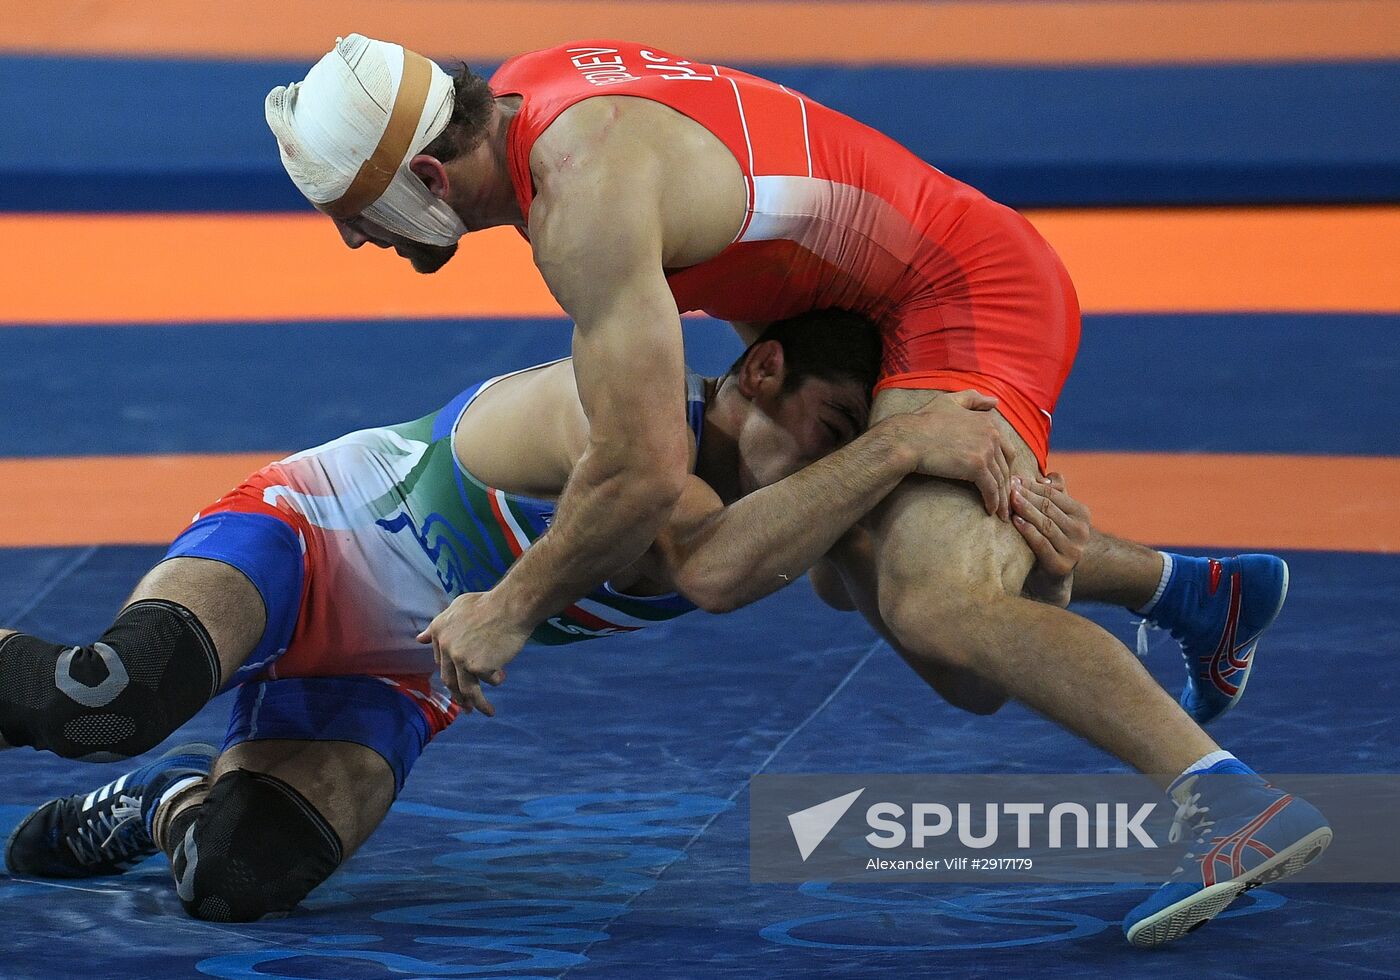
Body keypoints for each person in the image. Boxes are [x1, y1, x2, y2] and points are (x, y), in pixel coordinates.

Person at [256, 35, 1327, 944]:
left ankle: (1228, 803)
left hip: (954, 289)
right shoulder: (534, 92)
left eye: (356, 213)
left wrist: (507, 609)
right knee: (913, 622)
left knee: (938, 603)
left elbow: (638, 478)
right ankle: (1187, 590)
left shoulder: (582, 201)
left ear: (428, 179)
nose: (359, 239)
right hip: (849, 300)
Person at [0, 311, 1279, 925]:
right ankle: (1179, 582)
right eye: (831, 430)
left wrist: (1042, 575)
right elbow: (694, 555)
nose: (829, 463)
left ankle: (164, 801)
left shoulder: (801, 511)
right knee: (103, 693)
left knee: (234, 877)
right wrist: (900, 455)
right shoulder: (639, 404)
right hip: (312, 533)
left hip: (402, 677)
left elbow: (972, 683)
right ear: (761, 370)